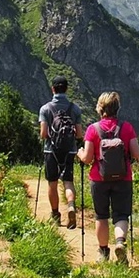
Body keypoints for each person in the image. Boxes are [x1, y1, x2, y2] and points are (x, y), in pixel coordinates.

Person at [77, 91, 139, 264]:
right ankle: (120, 242)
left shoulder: (93, 129)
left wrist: (80, 153)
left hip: (99, 179)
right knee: (121, 215)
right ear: (117, 108)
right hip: (123, 178)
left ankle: (103, 253)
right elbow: (137, 154)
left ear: (100, 108)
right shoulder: (127, 127)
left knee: (101, 216)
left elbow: (88, 158)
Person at [38, 76, 82, 228]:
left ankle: (55, 214)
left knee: (52, 183)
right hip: (69, 150)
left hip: (51, 151)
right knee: (68, 182)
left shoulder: (45, 109)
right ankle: (70, 205)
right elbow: (79, 134)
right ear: (66, 89)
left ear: (53, 89)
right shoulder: (74, 108)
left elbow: (43, 134)